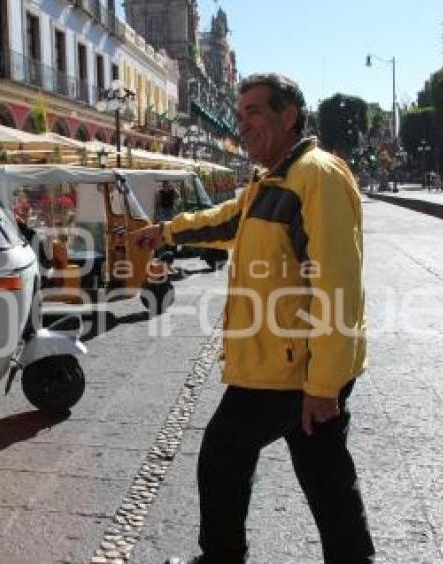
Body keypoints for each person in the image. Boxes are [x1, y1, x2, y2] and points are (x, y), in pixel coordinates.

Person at [132, 73, 374, 564]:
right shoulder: (272, 179)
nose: (241, 125)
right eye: (239, 115)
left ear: (289, 117)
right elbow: (226, 219)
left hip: (291, 368)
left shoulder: (316, 176)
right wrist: (167, 232)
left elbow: (337, 286)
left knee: (223, 454)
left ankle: (222, 557)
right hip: (291, 366)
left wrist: (323, 385)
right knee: (326, 477)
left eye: (253, 113)